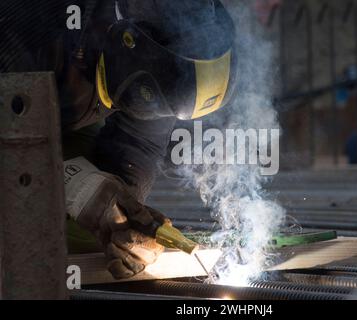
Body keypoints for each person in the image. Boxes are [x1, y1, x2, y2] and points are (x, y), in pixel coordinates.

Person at [1, 0, 237, 279]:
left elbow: (138, 144)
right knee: (21, 229)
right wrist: (76, 185)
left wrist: (125, 219)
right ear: (124, 41)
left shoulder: (164, 41)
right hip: (12, 113)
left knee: (88, 234)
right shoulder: (27, 27)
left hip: (51, 115)